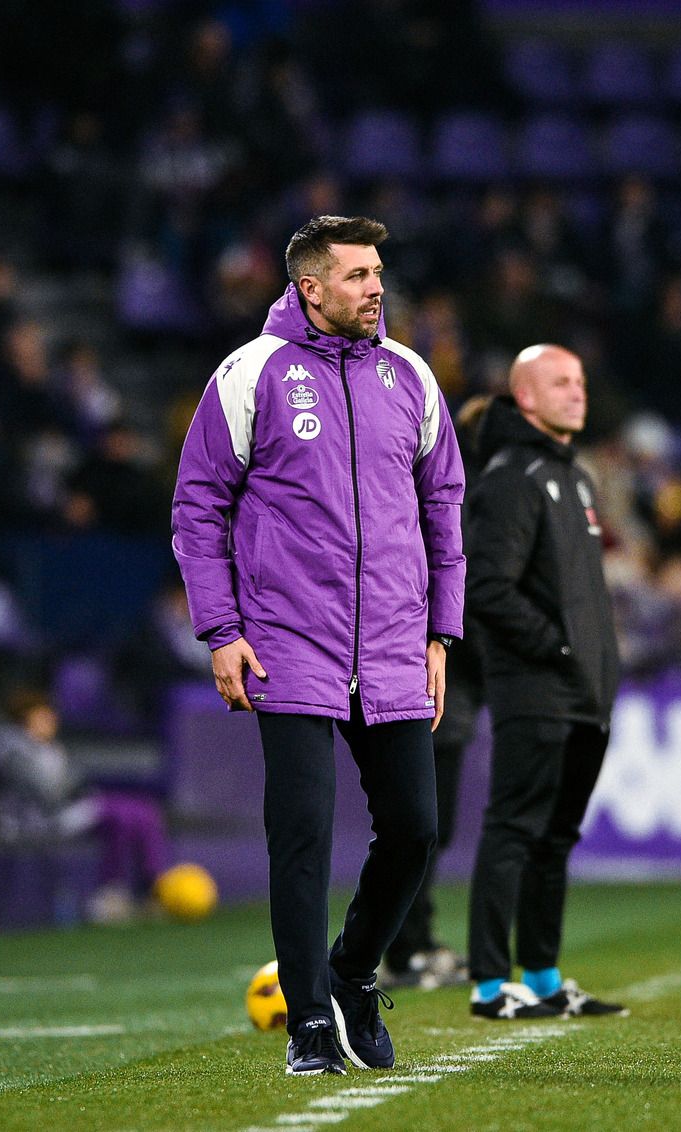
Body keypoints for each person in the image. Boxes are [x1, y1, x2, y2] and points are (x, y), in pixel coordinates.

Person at [171, 216, 465, 1076]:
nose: (378, 287)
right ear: (311, 286)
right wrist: (221, 630)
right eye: (360, 275)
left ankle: (348, 973)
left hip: (393, 643)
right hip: (287, 644)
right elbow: (198, 509)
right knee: (300, 837)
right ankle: (306, 1025)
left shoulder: (409, 376)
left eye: (380, 272)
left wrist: (441, 632)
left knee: (415, 830)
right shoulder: (251, 374)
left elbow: (443, 509)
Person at [464, 344, 626, 1021]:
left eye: (581, 380)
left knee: (556, 838)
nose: (576, 392)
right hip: (536, 688)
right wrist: (556, 646)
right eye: (560, 382)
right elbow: (487, 587)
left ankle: (545, 975)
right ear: (523, 395)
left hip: (585, 692)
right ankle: (490, 985)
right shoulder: (511, 476)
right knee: (513, 831)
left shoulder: (576, 477)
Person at [380, 395, 490, 992]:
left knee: (428, 825)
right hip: (431, 674)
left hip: (451, 678)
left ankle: (414, 941)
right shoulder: (453, 503)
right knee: (420, 823)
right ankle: (404, 948)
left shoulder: (457, 498)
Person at [0, 690, 172, 924]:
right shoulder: (9, 749)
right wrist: (70, 784)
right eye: (43, 716)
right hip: (33, 821)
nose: (52, 720)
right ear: (26, 718)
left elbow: (74, 783)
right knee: (120, 816)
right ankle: (109, 897)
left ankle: (152, 888)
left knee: (142, 812)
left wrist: (71, 784)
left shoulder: (47, 748)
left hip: (63, 813)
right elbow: (47, 792)